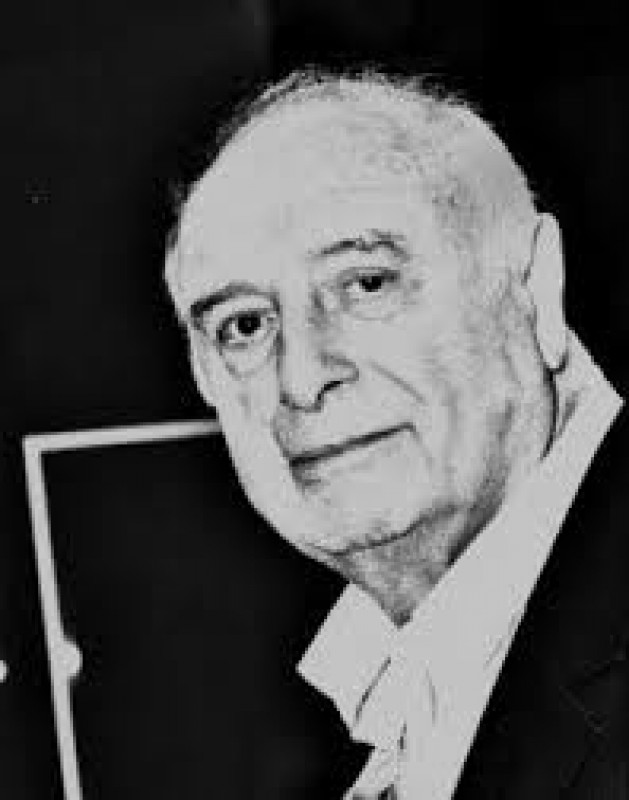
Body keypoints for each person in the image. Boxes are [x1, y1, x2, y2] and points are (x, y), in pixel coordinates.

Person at [164, 68, 629, 799]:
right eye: (244, 325)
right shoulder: (405, 679)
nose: (302, 377)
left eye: (367, 284)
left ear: (535, 288)